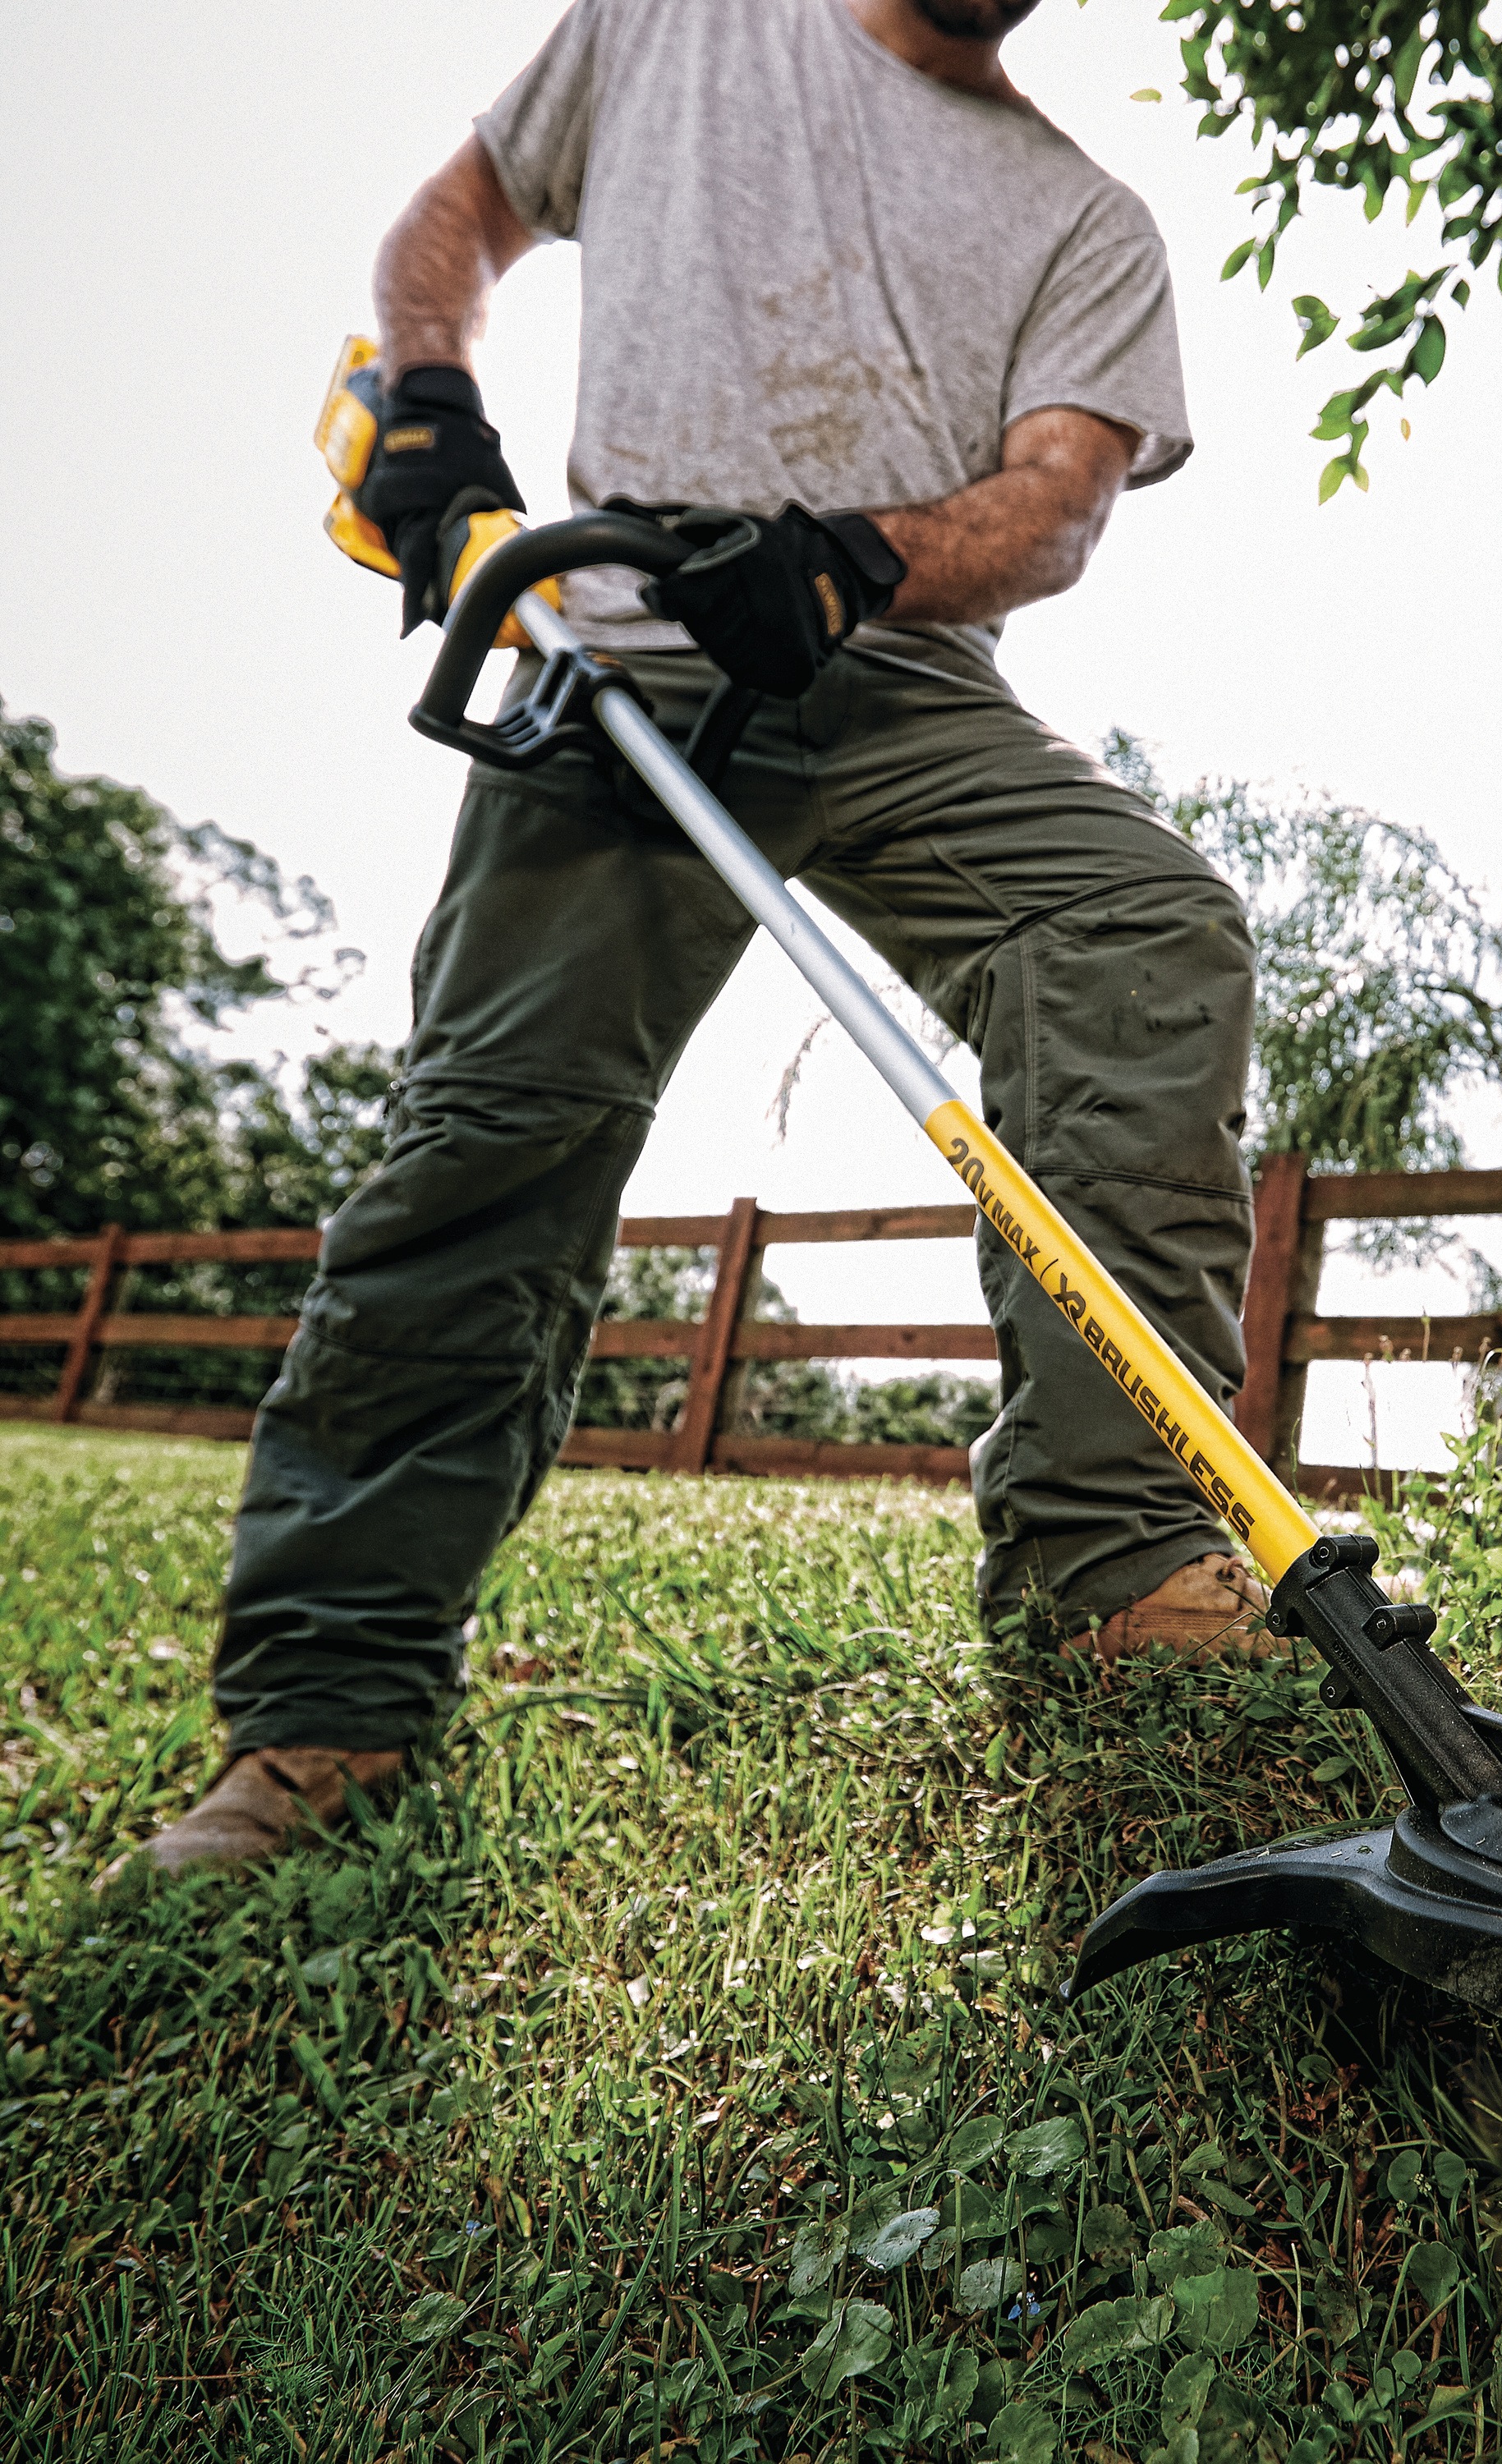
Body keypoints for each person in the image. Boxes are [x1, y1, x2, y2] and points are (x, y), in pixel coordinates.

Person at [136, 0, 1269, 1877]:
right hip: (624, 665)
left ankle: (1117, 1567)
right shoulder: (676, 26)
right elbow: (460, 214)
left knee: (1140, 920)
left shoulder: (1089, 221)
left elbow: (1057, 507)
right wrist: (427, 388)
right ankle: (330, 1706)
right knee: (493, 1134)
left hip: (891, 679)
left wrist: (850, 562)